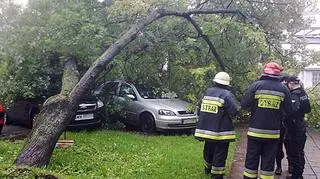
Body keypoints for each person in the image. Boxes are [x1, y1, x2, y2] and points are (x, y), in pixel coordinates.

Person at [241, 62, 293, 179]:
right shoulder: (284, 89)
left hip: (255, 133)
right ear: (278, 74)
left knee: (251, 162)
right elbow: (289, 110)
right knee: (268, 164)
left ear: (265, 72)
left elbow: (244, 104)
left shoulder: (255, 86)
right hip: (273, 134)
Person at [194, 71, 240, 179]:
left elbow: (199, 108)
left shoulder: (207, 92)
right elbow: (235, 110)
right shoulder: (227, 94)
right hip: (221, 131)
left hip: (206, 130)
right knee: (220, 152)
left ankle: (207, 168)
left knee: (209, 148)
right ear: (227, 84)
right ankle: (217, 175)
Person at [285, 76, 311, 179]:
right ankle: (298, 174)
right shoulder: (303, 93)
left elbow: (293, 110)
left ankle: (296, 176)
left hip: (294, 127)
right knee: (300, 151)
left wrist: (286, 116)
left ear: (291, 84)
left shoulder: (294, 95)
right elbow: (307, 109)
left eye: (288, 84)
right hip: (301, 125)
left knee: (295, 152)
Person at [275, 74, 292, 175]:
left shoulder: (293, 92)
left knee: (290, 146)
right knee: (278, 146)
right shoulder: (280, 91)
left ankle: (291, 165)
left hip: (290, 124)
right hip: (280, 123)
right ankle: (279, 166)